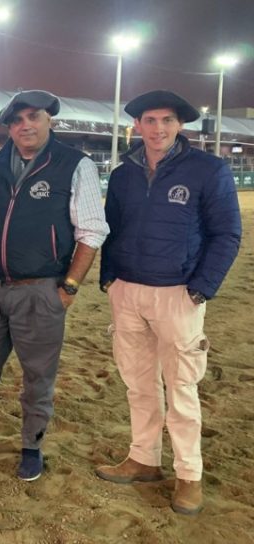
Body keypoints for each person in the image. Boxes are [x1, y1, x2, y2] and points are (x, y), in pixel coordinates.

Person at [0, 91, 109, 481]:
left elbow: (92, 231)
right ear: (9, 127)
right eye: (17, 120)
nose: (25, 125)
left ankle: (32, 447)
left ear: (49, 121)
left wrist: (69, 288)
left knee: (37, 375)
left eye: (33, 117)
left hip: (41, 290)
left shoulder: (74, 166)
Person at [95, 90, 242, 515]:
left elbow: (226, 234)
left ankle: (189, 474)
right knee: (138, 384)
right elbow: (113, 227)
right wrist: (110, 277)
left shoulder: (208, 170)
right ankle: (143, 458)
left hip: (179, 293)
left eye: (166, 120)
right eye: (150, 120)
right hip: (127, 292)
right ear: (137, 126)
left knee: (181, 388)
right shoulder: (123, 174)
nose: (158, 128)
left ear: (179, 126)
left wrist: (201, 287)